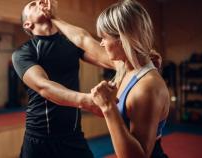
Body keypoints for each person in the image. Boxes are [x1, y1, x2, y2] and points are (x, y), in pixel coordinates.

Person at [45, 0, 170, 157]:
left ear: (122, 38)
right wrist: (54, 18)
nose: (101, 44)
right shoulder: (124, 66)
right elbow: (83, 39)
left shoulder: (147, 87)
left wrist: (108, 107)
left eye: (104, 37)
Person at [11, 0, 116, 158]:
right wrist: (88, 101)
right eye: (32, 4)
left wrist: (140, 58)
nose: (40, 1)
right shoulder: (24, 53)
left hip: (73, 135)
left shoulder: (70, 43)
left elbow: (108, 60)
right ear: (27, 24)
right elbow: (44, 87)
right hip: (40, 139)